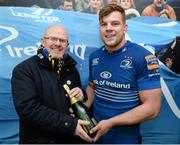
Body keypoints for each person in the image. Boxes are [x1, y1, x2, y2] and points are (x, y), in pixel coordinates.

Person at [85, 4, 162, 144]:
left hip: (126, 140)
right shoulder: (94, 57)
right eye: (104, 24)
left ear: (125, 28)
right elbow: (92, 86)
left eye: (115, 23)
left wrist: (110, 123)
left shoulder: (144, 58)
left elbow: (153, 108)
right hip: (94, 135)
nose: (108, 28)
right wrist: (84, 105)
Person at [11, 24, 92, 144]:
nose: (58, 44)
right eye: (53, 39)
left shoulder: (71, 68)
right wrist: (70, 125)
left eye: (62, 41)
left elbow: (75, 100)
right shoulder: (24, 70)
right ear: (43, 42)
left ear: (67, 45)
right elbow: (28, 109)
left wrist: (81, 94)